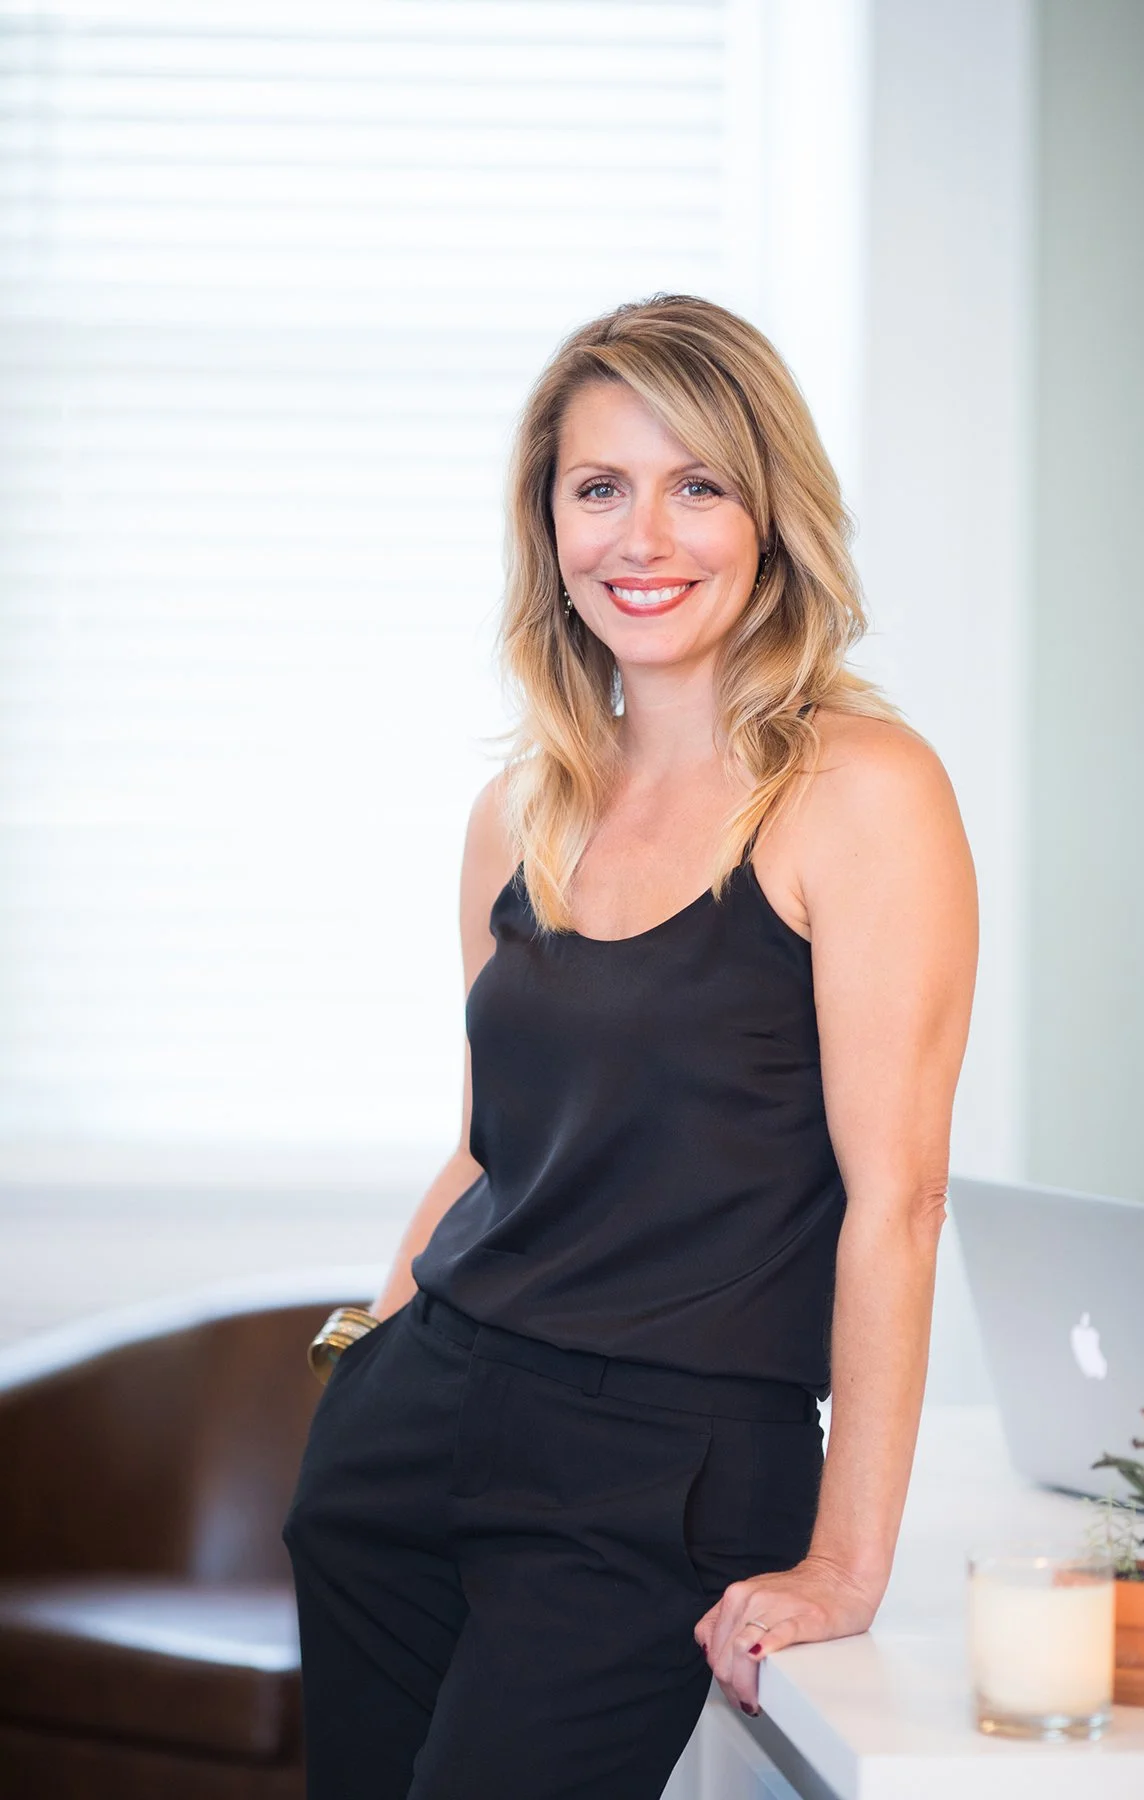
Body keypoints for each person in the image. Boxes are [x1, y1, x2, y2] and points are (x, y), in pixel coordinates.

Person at [282, 292, 978, 1799]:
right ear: (549, 525)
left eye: (697, 484)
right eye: (600, 488)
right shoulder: (519, 809)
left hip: (655, 1474)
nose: (642, 537)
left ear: (770, 513)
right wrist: (363, 1355)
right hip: (413, 1426)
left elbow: (898, 1200)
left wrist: (847, 1564)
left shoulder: (860, 791)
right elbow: (488, 1147)